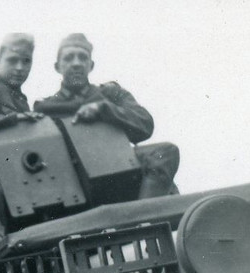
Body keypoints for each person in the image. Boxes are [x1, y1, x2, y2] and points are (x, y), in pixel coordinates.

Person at [34, 34, 179, 199]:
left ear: (91, 65)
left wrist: (104, 109)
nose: (76, 63)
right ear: (57, 67)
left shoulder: (111, 94)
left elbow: (145, 124)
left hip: (120, 165)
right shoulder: (46, 108)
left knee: (166, 152)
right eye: (68, 58)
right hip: (74, 177)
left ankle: (143, 215)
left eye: (83, 58)